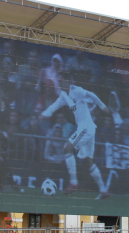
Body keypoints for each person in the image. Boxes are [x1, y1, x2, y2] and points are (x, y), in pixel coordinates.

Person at [40, 71, 111, 200]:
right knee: (88, 161)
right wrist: (44, 114)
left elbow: (91, 94)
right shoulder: (63, 95)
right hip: (87, 128)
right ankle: (103, 190)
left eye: (61, 80)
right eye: (59, 81)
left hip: (86, 128)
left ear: (68, 81)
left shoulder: (76, 90)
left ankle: (74, 182)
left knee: (67, 148)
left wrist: (103, 106)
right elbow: (54, 106)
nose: (60, 83)